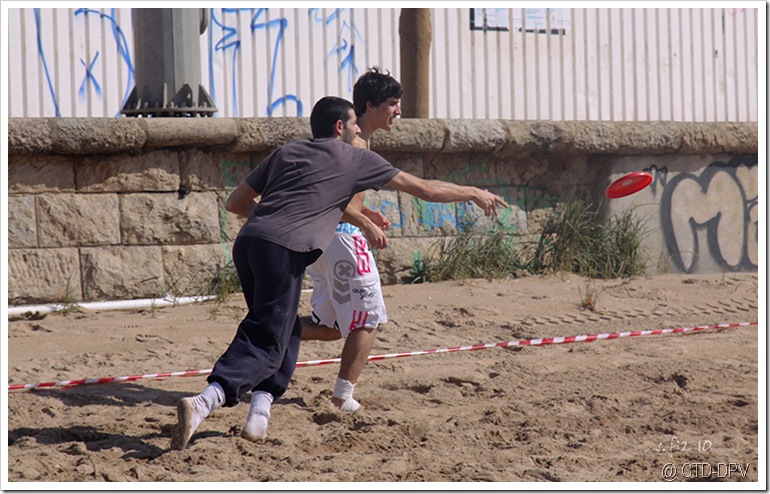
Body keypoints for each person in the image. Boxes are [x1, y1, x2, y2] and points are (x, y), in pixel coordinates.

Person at [170, 96, 508, 450]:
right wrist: (471, 192)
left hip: (250, 244)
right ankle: (207, 400)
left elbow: (235, 203)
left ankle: (260, 412)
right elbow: (425, 188)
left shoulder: (286, 152)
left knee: (281, 328)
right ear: (338, 128)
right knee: (267, 338)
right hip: (284, 250)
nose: (359, 129)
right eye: (354, 124)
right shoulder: (356, 157)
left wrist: (276, 224)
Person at [300, 67, 403, 413]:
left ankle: (270, 333)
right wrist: (364, 223)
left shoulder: (358, 139)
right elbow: (333, 198)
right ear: (369, 106)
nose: (398, 110)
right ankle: (342, 395)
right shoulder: (355, 143)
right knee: (368, 319)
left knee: (326, 326)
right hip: (343, 237)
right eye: (391, 103)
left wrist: (366, 211)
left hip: (324, 238)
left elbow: (343, 195)